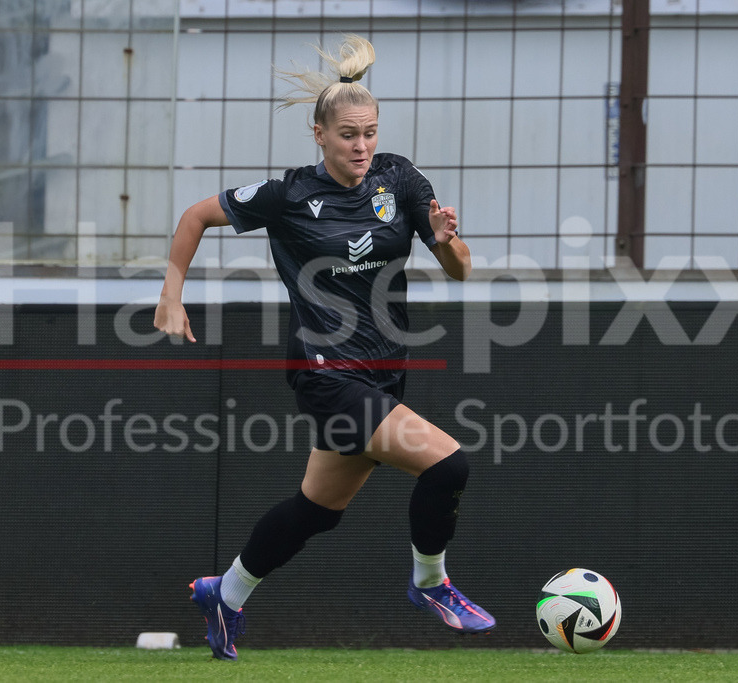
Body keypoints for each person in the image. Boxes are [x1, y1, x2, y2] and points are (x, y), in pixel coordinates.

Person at [154, 34, 494, 661]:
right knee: (448, 465)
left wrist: (445, 240)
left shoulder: (399, 177)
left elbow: (461, 271)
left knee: (317, 509)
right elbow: (195, 216)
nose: (361, 146)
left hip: (384, 373)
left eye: (368, 133)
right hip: (326, 373)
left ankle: (223, 595)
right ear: (319, 134)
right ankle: (430, 584)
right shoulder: (288, 196)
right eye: (347, 135)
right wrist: (172, 294)